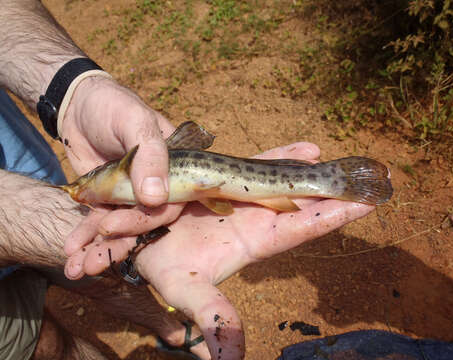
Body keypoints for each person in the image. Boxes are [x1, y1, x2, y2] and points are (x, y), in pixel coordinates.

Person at [0, 0, 375, 359]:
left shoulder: (110, 174)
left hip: (34, 179)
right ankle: (168, 326)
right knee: (44, 343)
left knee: (91, 270)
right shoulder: (108, 187)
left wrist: (72, 89)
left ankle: (170, 328)